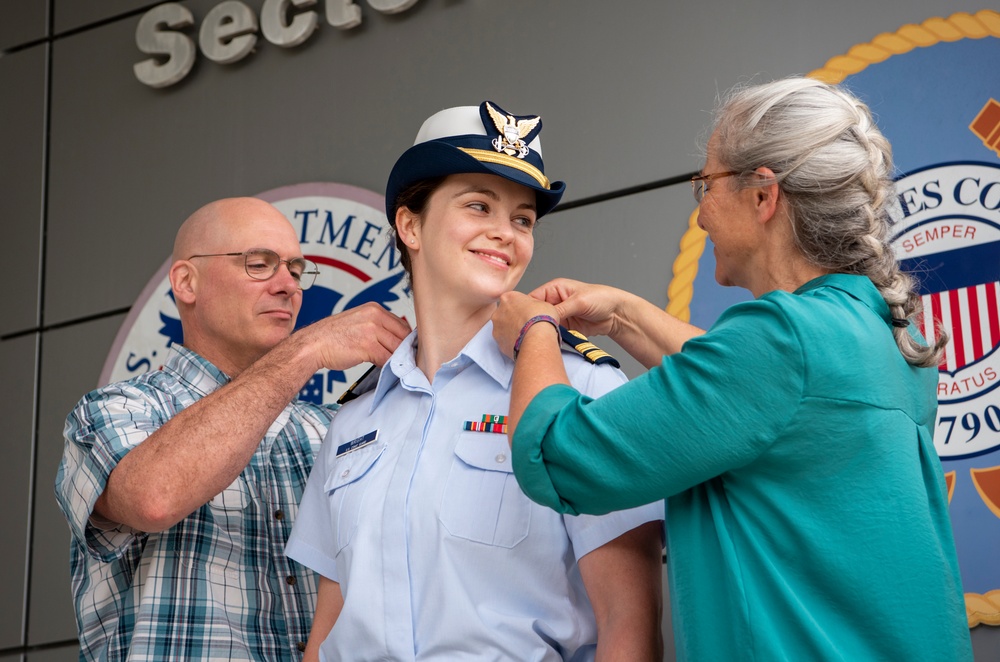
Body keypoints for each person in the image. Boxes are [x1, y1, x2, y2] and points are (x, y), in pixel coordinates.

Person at [491, 77, 973, 660]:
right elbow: (758, 400)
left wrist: (532, 330)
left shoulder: (779, 342)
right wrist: (624, 316)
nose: (700, 216)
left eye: (706, 185)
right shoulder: (881, 332)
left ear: (763, 194)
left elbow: (557, 457)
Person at [285, 101, 665, 661]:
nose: (504, 233)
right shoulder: (351, 421)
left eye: (522, 219)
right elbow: (328, 631)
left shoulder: (581, 390)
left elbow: (628, 625)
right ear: (409, 224)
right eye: (478, 206)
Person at [55, 197, 412, 661]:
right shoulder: (114, 409)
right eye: (260, 264)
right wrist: (306, 350)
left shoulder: (334, 429)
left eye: (297, 270)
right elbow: (154, 497)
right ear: (186, 282)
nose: (288, 286)